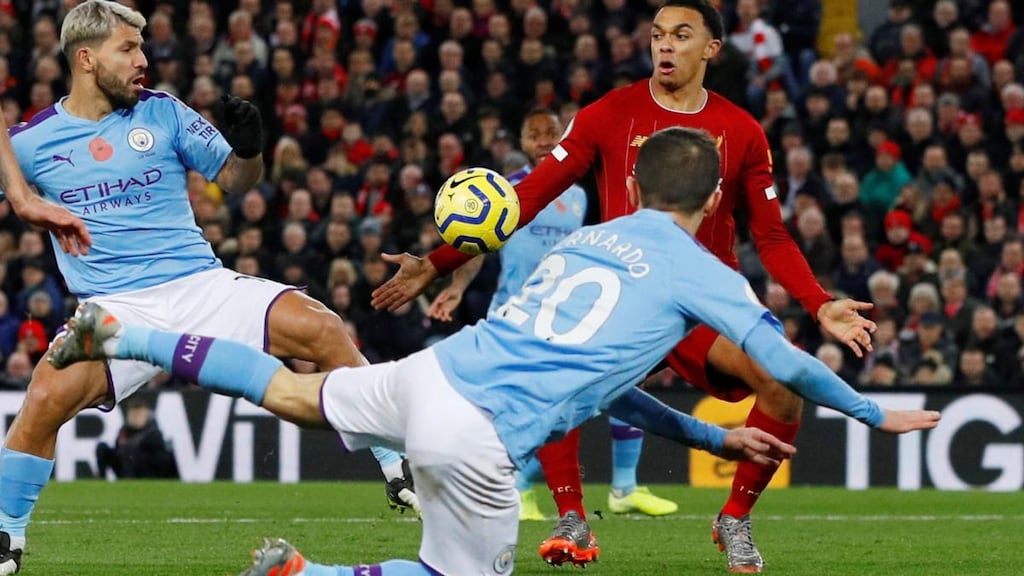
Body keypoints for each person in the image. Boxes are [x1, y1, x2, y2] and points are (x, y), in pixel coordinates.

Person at [50, 127, 940, 576]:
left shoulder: (590, 240)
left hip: (432, 375)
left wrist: (710, 442)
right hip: (478, 433)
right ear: (713, 203)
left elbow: (603, 391)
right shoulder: (698, 272)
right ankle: (303, 572)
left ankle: (131, 334)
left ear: (637, 184)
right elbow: (784, 364)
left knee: (289, 392)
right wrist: (872, 412)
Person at [370, 0, 876, 571]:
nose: (665, 45)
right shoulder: (608, 115)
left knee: (782, 382)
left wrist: (820, 302)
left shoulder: (742, 131)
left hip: (700, 300)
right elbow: (528, 197)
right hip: (624, 295)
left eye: (681, 35)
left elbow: (773, 236)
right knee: (558, 373)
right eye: (658, 34)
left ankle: (734, 517)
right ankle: (573, 519)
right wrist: (436, 263)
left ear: (711, 49)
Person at [0, 4, 412, 575]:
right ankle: (7, 537)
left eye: (143, 48)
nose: (144, 61)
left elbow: (239, 181)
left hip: (202, 283)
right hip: (115, 307)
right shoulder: (30, 143)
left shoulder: (164, 112)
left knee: (320, 326)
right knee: (42, 402)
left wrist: (248, 150)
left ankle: (397, 468)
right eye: (129, 49)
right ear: (86, 59)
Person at [427, 108, 676, 547]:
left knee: (612, 388)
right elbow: (478, 241)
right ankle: (520, 491)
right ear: (520, 142)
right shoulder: (507, 191)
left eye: (551, 133)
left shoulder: (578, 195)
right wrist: (458, 286)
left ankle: (623, 488)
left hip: (568, 317)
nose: (544, 140)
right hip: (516, 316)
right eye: (534, 133)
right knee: (540, 409)